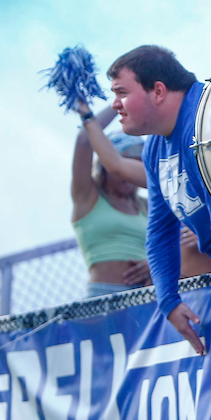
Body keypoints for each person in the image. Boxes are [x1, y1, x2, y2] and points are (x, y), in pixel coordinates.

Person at [107, 45, 211, 359]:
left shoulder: (207, 118)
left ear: (158, 90)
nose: (115, 104)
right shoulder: (153, 148)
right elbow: (160, 232)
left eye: (121, 92)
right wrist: (168, 301)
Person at [69, 104, 151, 299]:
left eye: (139, 165)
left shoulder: (146, 206)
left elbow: (178, 245)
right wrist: (121, 103)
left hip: (147, 298)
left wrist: (154, 266)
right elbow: (83, 141)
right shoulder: (87, 197)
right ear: (108, 165)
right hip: (103, 296)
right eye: (126, 163)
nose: (131, 173)